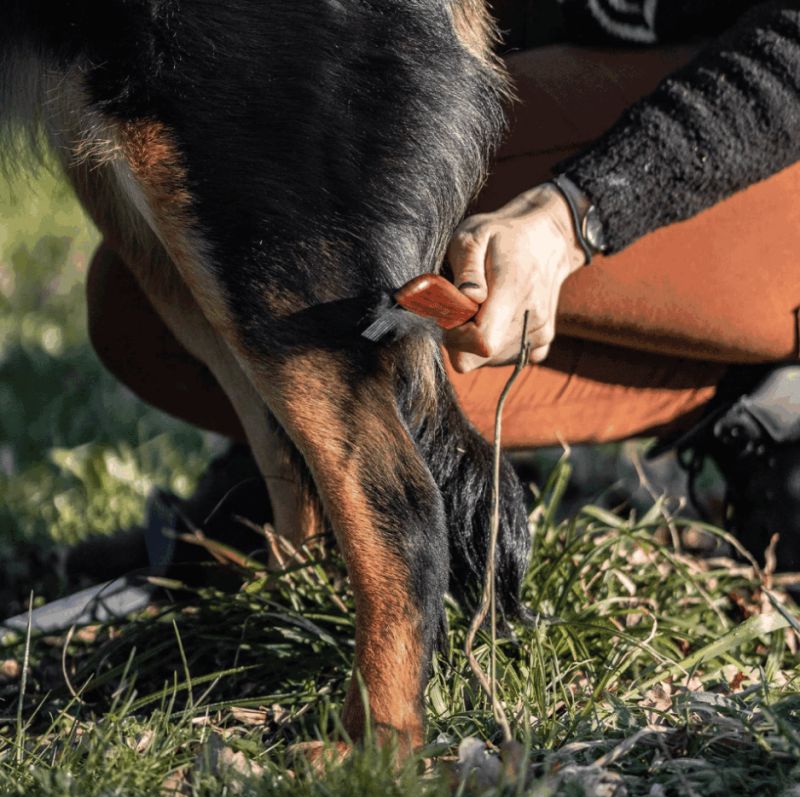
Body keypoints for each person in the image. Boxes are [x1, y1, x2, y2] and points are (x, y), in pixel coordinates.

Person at [83, 0, 800, 572]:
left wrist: (570, 216)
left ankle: (780, 395)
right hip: (556, 62)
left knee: (289, 270)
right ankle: (738, 388)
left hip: (759, 112)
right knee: (158, 301)